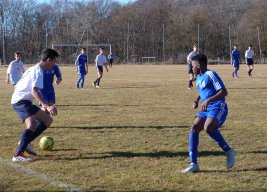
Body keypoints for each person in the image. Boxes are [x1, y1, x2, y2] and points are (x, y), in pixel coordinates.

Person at [182, 53, 235, 174]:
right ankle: (193, 163)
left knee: (208, 127)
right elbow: (204, 91)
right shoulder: (199, 77)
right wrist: (197, 100)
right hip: (206, 108)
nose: (191, 68)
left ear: (199, 65)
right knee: (195, 128)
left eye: (193, 65)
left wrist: (209, 100)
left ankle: (228, 151)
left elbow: (224, 92)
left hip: (217, 106)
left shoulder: (211, 74)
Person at [11, 48, 59, 162]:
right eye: (54, 61)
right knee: (32, 125)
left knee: (47, 120)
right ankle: (18, 154)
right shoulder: (38, 71)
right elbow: (34, 91)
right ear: (48, 60)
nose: (54, 64)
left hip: (22, 100)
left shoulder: (33, 68)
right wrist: (47, 106)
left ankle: (25, 142)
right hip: (21, 101)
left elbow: (20, 84)